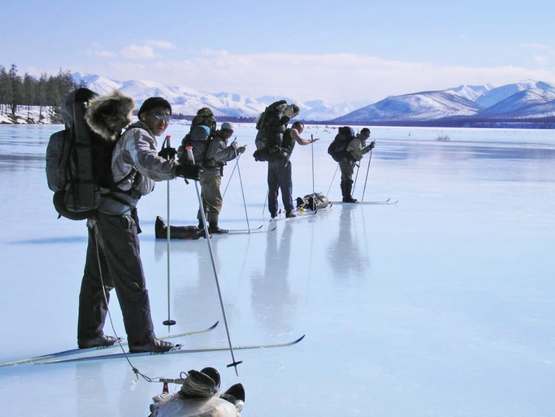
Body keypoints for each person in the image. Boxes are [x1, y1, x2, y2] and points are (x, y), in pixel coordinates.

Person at [78, 96, 200, 353]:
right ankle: (143, 340)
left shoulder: (136, 136)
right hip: (116, 218)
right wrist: (176, 169)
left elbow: (142, 172)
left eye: (167, 116)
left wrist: (162, 160)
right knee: (131, 278)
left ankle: (90, 334)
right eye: (157, 115)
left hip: (102, 213)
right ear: (143, 116)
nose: (163, 121)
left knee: (99, 276)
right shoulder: (138, 135)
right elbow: (145, 162)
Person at [197, 122, 246, 234]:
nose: (229, 134)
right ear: (224, 130)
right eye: (229, 132)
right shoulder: (217, 141)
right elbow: (218, 156)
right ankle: (213, 226)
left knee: (205, 198)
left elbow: (223, 155)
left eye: (231, 132)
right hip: (212, 173)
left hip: (206, 172)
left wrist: (235, 150)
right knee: (215, 199)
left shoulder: (217, 140)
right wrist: (233, 149)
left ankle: (202, 224)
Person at [267, 120, 317, 218]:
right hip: (283, 162)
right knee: (286, 187)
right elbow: (301, 141)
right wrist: (310, 141)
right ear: (298, 127)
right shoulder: (293, 130)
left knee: (273, 188)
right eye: (301, 129)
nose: (300, 132)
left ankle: (273, 212)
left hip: (271, 161)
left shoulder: (281, 132)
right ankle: (289, 211)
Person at [339, 127, 375, 203]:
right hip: (347, 161)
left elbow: (358, 152)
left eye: (368, 135)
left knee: (345, 178)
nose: (367, 137)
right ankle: (347, 197)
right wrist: (369, 147)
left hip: (347, 161)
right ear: (362, 134)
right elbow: (359, 153)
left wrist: (368, 147)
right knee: (347, 179)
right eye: (366, 135)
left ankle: (346, 197)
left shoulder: (359, 141)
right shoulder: (356, 141)